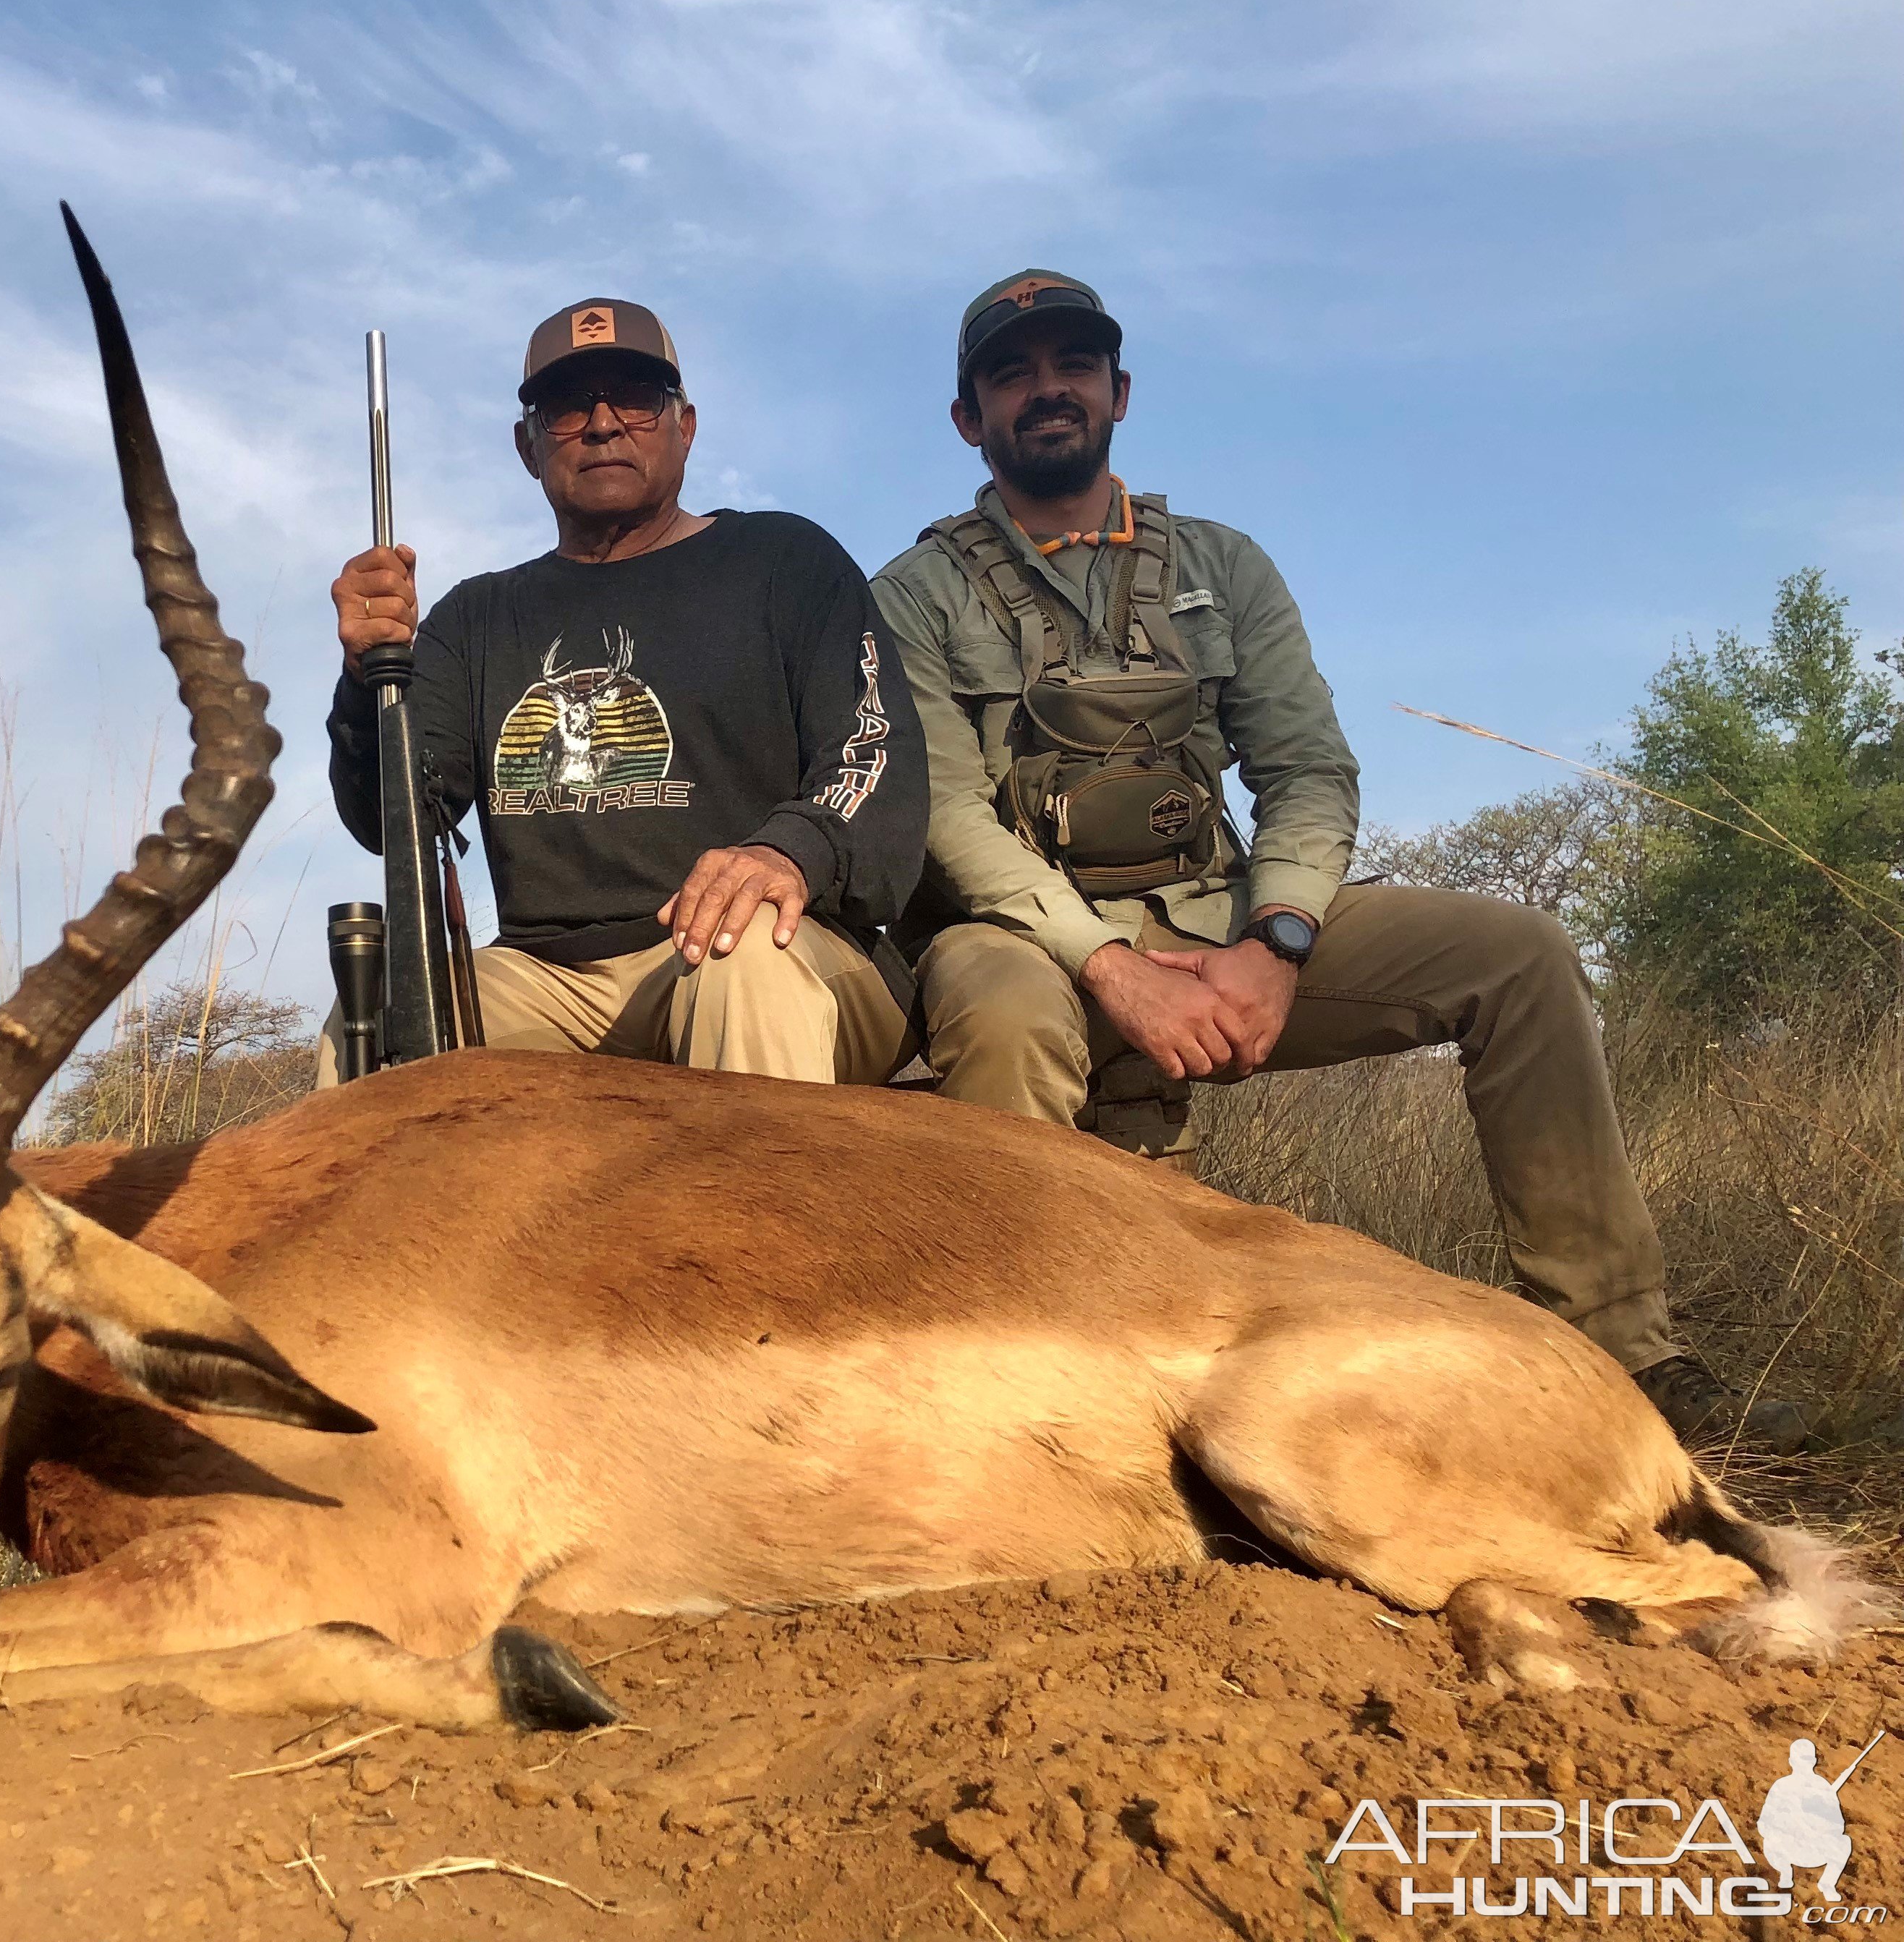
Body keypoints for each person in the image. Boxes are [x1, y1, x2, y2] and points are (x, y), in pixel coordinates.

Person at [867, 269, 1807, 1451]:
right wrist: (1109, 963)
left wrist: (1276, 942)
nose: (1046, 389)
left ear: (1118, 391)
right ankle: (1030, 1407)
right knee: (1000, 1014)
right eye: (1011, 373)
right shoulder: (908, 594)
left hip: (1222, 922)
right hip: (1024, 939)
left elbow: (1307, 769)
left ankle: (1625, 1354)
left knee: (1518, 956)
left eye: (1072, 365)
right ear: (969, 417)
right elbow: (947, 813)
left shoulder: (1223, 565)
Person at [325, 297, 926, 1084]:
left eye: (636, 400)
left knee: (740, 958)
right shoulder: (475, 617)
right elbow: (391, 819)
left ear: (686, 425)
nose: (604, 424)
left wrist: (786, 851)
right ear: (527, 445)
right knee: (375, 1016)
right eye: (569, 407)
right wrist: (371, 673)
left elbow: (872, 754)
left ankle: (756, 1210)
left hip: (773, 944)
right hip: (548, 979)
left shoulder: (786, 560)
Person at [1759, 1739, 1855, 1902]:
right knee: (1770, 1839)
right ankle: (1785, 1871)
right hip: (1786, 1849)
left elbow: (1838, 1826)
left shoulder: (1822, 1788)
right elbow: (1764, 1824)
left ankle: (1827, 1884)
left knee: (1844, 1842)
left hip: (1813, 1850)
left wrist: (1816, 1820)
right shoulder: (1782, 1786)